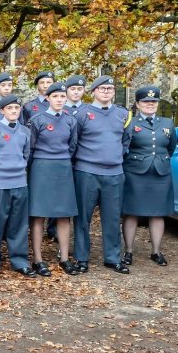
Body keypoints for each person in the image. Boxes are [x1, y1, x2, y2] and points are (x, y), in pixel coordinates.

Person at [73, 75, 131, 274]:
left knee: (113, 217)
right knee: (83, 217)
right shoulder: (82, 114)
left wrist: (114, 157)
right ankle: (81, 258)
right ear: (94, 91)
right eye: (102, 88)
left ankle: (112, 257)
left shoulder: (123, 115)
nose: (106, 92)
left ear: (114, 92)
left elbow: (126, 141)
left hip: (114, 173)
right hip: (87, 172)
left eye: (110, 89)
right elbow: (74, 142)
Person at [0, 96, 37, 279]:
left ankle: (20, 261)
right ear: (1, 110)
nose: (14, 111)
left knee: (18, 224)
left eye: (17, 108)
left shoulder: (25, 132)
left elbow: (26, 155)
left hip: (19, 183)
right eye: (10, 108)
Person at [27, 82, 79, 275]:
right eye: (55, 96)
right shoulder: (37, 119)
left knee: (64, 214)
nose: (59, 100)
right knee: (38, 215)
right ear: (47, 98)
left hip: (63, 168)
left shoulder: (70, 120)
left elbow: (73, 145)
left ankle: (64, 258)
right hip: (41, 169)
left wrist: (62, 161)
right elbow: (30, 148)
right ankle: (38, 259)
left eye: (62, 96)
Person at [122, 86, 176, 268]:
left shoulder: (167, 123)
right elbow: (124, 146)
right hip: (135, 172)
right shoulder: (130, 122)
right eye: (146, 102)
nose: (150, 105)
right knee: (131, 212)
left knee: (158, 213)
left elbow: (171, 147)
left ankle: (156, 251)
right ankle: (128, 251)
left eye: (153, 102)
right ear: (138, 104)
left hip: (160, 172)